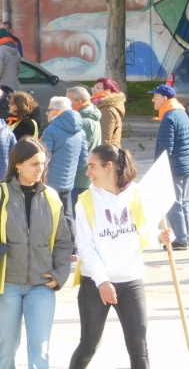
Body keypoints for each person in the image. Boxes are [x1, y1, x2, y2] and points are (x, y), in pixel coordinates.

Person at [69, 145, 171, 369]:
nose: (88, 172)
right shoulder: (85, 200)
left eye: (92, 166)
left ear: (109, 167)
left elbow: (142, 233)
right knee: (89, 346)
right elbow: (86, 247)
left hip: (130, 281)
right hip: (94, 284)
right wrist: (103, 281)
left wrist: (161, 237)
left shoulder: (137, 194)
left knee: (139, 350)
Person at [0, 138, 72, 369]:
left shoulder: (51, 197)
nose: (40, 169)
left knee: (39, 351)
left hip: (41, 285)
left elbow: (63, 241)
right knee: (5, 351)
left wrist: (60, 274)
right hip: (7, 285)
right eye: (34, 164)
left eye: (42, 163)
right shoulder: (1, 195)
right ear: (18, 164)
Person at [43, 96, 88, 259]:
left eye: (48, 109)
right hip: (68, 179)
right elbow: (84, 157)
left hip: (49, 180)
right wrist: (70, 171)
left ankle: (50, 247)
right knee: (68, 215)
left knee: (47, 214)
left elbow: (44, 157)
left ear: (56, 111)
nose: (47, 113)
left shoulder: (51, 130)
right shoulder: (80, 130)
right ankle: (73, 248)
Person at [150, 84, 189, 251]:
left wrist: (158, 169)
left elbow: (166, 147)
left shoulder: (169, 117)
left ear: (165, 99)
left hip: (173, 167)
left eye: (156, 96)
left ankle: (181, 239)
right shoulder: (181, 113)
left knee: (172, 203)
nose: (153, 99)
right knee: (183, 202)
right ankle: (185, 236)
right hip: (185, 164)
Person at [67, 86, 102, 215]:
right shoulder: (91, 117)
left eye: (68, 100)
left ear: (79, 102)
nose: (66, 104)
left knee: (78, 216)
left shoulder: (84, 121)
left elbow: (79, 151)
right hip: (85, 175)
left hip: (80, 177)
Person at [91, 78, 125, 147]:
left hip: (106, 153)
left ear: (108, 91)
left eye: (97, 87)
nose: (94, 90)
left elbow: (105, 138)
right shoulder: (100, 105)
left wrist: (100, 155)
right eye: (94, 87)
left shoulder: (107, 109)